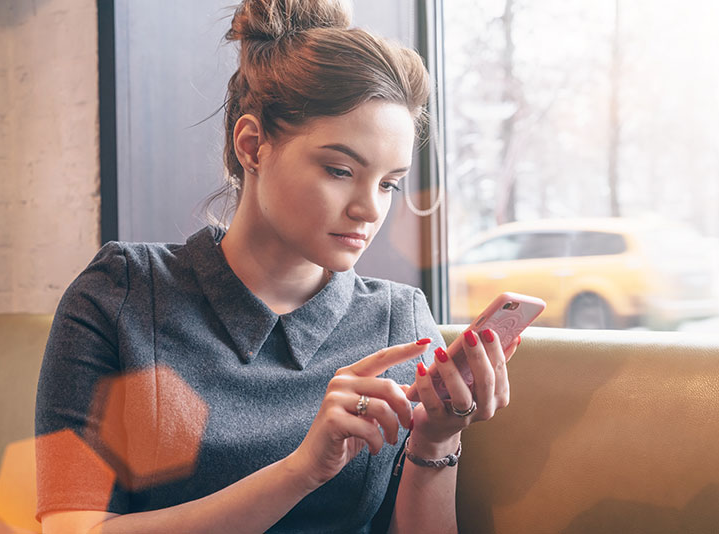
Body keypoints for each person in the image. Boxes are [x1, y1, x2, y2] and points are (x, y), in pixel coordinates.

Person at [35, 1, 516, 532]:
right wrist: (301, 472)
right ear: (252, 145)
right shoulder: (118, 294)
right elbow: (69, 527)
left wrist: (437, 439)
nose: (370, 209)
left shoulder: (400, 322)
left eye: (388, 183)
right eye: (340, 170)